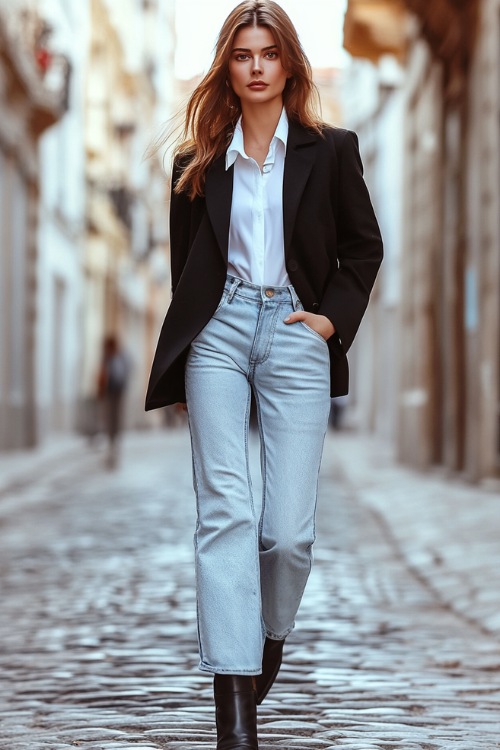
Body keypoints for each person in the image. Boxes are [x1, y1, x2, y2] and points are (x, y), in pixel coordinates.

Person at [145, 2, 383, 747]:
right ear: (228, 65)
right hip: (218, 332)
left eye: (267, 53)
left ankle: (267, 641)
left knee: (287, 534)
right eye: (242, 54)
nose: (254, 66)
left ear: (288, 65)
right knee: (226, 512)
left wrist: (329, 320)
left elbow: (362, 248)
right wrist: (187, 356)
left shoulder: (331, 148)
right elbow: (188, 266)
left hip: (293, 332)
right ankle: (235, 711)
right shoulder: (195, 163)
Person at [97, 334, 130, 468]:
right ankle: (112, 443)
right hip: (111, 394)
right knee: (111, 419)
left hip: (116, 394)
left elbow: (122, 375)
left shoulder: (118, 357)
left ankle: (114, 443)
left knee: (114, 419)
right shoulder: (107, 358)